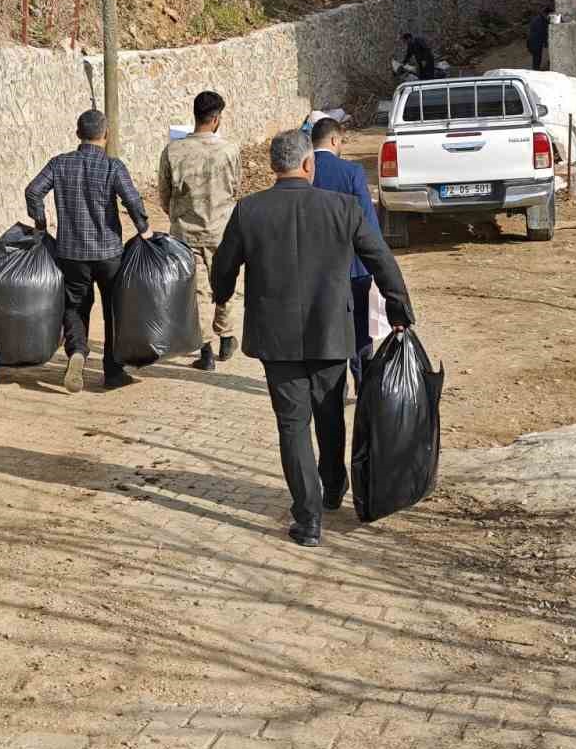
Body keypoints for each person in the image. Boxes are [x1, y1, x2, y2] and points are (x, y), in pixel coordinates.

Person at [212, 128, 414, 548]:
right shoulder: (343, 208)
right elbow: (381, 260)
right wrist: (399, 311)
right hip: (330, 332)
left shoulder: (250, 211)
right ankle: (334, 487)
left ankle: (307, 521)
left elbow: (223, 267)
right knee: (329, 412)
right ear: (309, 164)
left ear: (274, 167)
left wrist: (221, 294)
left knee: (292, 425)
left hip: (275, 337)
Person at [25, 109, 152, 393]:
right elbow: (132, 200)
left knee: (75, 307)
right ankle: (113, 372)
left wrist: (41, 224)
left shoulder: (59, 164)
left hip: (71, 253)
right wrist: (144, 229)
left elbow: (33, 191)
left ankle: (78, 353)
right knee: (112, 310)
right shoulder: (113, 166)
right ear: (105, 136)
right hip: (109, 255)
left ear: (77, 134)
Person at [158, 90, 241, 371]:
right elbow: (235, 187)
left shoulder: (173, 151)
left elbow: (164, 194)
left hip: (185, 232)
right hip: (222, 229)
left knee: (198, 292)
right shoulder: (230, 151)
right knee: (225, 281)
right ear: (216, 119)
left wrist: (178, 215)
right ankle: (227, 336)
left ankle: (205, 348)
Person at [311, 116, 383, 394]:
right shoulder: (351, 172)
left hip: (318, 270)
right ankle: (364, 386)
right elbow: (368, 223)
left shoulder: (305, 172)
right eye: (340, 141)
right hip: (355, 267)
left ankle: (333, 387)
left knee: (328, 327)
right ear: (333, 140)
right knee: (361, 328)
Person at [527, 4, 554, 72]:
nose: (551, 16)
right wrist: (546, 43)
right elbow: (541, 33)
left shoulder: (540, 19)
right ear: (547, 13)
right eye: (550, 14)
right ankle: (535, 71)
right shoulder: (540, 20)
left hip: (534, 42)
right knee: (537, 58)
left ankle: (536, 70)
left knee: (537, 58)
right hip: (535, 42)